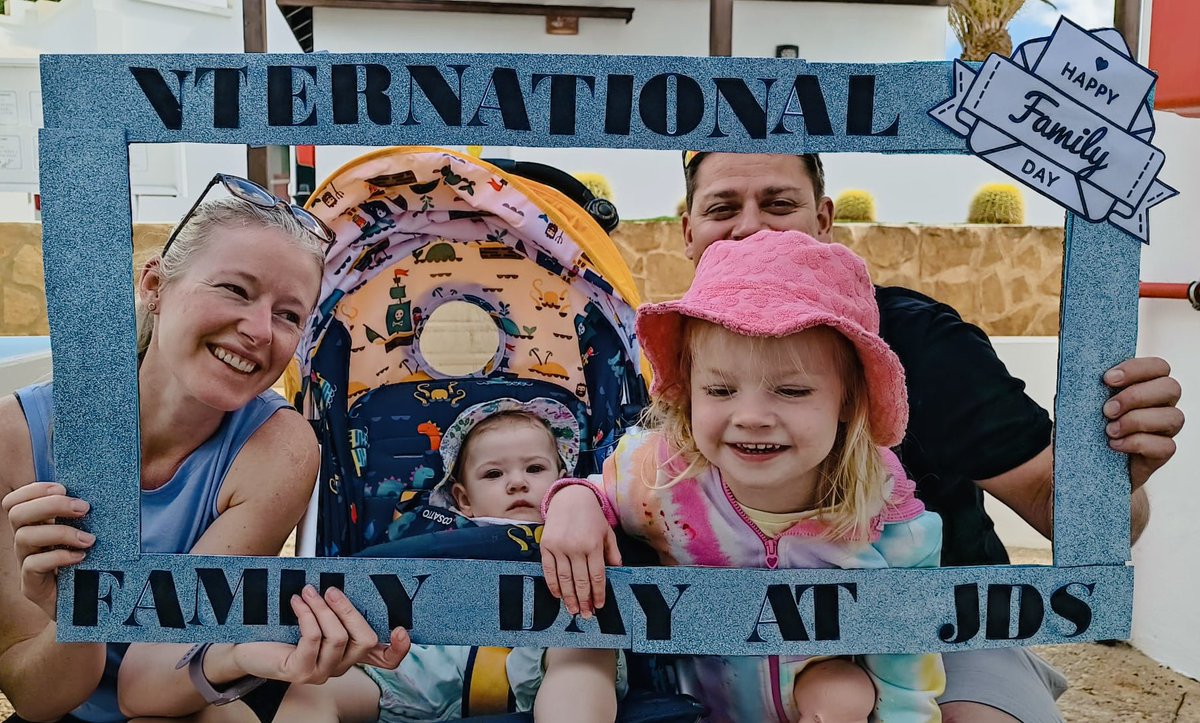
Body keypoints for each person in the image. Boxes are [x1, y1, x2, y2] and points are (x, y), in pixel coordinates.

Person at [671, 151, 1185, 722]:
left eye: (778, 204)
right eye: (723, 208)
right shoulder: (663, 349)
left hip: (945, 624)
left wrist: (1110, 481)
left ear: (823, 221)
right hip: (724, 641)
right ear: (689, 231)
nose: (751, 226)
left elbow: (1069, 513)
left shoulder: (924, 343)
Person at [0, 175, 409, 723]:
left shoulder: (280, 448)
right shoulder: (16, 437)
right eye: (235, 290)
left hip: (189, 689)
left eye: (289, 314)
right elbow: (37, 700)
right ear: (154, 286)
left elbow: (155, 678)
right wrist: (76, 617)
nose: (261, 331)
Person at [542, 230, 945, 722]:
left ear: (848, 400)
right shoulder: (662, 476)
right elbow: (599, 492)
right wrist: (574, 505)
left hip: (807, 703)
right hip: (686, 705)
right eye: (720, 390)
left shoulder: (888, 523)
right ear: (689, 392)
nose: (751, 416)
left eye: (792, 391)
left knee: (841, 692)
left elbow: (906, 666)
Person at [276, 397, 625, 723]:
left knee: (588, 646)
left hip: (548, 644)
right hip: (434, 656)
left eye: (535, 469)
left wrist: (580, 503)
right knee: (312, 689)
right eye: (493, 474)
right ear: (463, 498)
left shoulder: (578, 518)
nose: (517, 483)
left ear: (562, 480)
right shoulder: (432, 532)